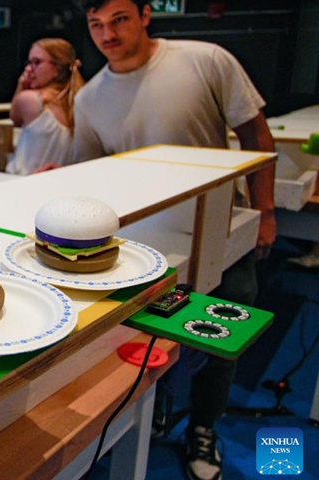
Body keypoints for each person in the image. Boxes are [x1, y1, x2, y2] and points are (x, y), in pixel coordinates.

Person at [73, 1, 276, 479]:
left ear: (146, 14)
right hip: (145, 242)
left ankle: (204, 427)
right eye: (96, 25)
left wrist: (265, 211)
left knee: (224, 332)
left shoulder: (204, 59)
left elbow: (255, 134)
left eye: (119, 19)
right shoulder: (90, 97)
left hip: (221, 226)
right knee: (153, 335)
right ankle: (159, 405)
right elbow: (89, 172)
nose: (108, 34)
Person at [7, 38, 85, 175]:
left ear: (58, 69)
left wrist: (21, 85)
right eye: (29, 63)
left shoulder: (30, 100)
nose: (28, 69)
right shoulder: (80, 102)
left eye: (37, 63)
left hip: (23, 184)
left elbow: (15, 118)